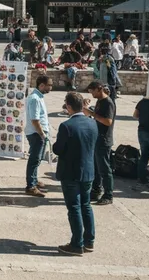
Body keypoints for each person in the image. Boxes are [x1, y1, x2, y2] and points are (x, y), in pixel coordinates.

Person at [53, 92, 98, 256]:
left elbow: (58, 149)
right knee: (86, 205)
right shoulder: (92, 124)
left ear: (69, 107)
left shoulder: (66, 126)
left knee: (74, 208)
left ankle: (76, 244)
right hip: (88, 170)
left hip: (70, 172)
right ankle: (89, 241)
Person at [83, 81, 116, 205]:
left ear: (99, 89)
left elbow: (108, 121)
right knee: (96, 168)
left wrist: (91, 113)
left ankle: (108, 195)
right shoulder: (100, 101)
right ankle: (96, 190)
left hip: (104, 140)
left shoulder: (108, 103)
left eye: (92, 91)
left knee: (104, 169)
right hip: (97, 138)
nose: (91, 94)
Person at [25, 75, 53, 197]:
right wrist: (42, 134)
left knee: (38, 159)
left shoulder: (38, 97)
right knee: (34, 159)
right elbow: (35, 119)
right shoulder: (35, 99)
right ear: (41, 85)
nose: (50, 88)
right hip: (36, 134)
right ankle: (30, 186)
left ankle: (34, 180)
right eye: (49, 85)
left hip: (39, 133)